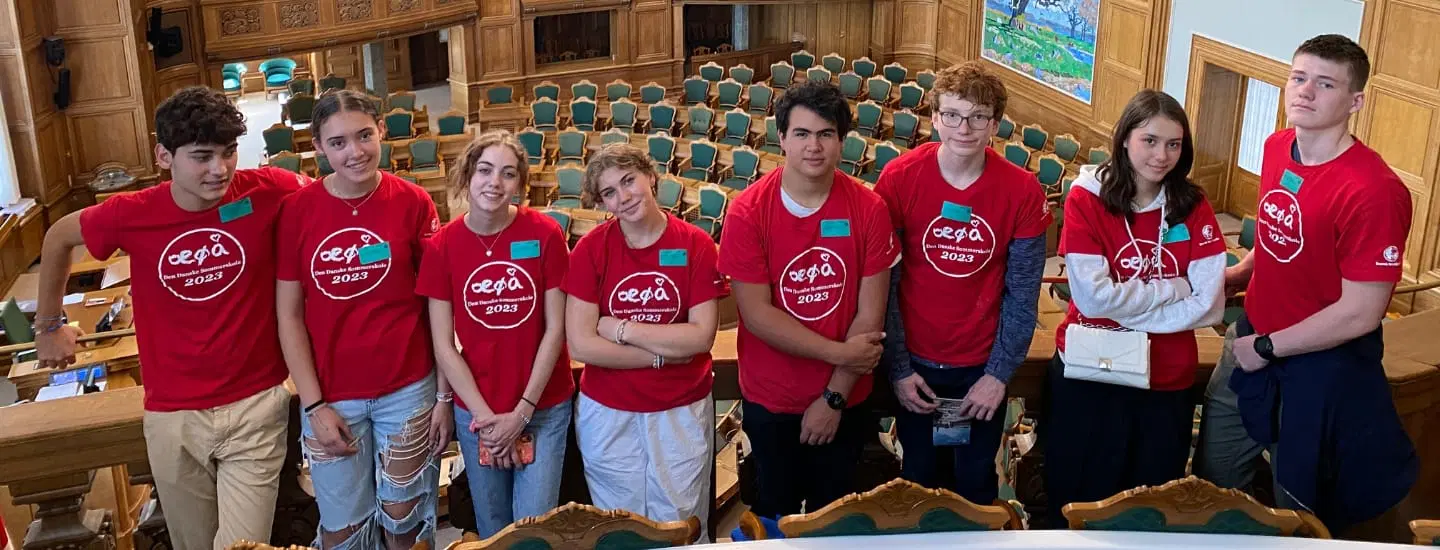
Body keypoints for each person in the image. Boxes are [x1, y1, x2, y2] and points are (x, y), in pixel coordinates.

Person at [32, 86, 305, 550]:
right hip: (172, 416)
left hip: (255, 405)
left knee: (242, 547)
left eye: (229, 153)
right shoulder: (133, 213)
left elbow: (332, 206)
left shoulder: (269, 190)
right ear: (164, 155)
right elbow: (58, 236)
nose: (219, 170)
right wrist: (49, 327)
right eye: (202, 156)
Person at [1196, 34, 1417, 531]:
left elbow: (1362, 313)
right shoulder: (1278, 147)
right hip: (1251, 336)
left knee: (1299, 502)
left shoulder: (1374, 191)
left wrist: (1269, 347)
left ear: (1355, 101)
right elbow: (1279, 229)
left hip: (1318, 366)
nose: (1305, 92)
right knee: (1215, 473)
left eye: (1325, 83)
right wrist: (1241, 274)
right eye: (1299, 78)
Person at [275, 90, 448, 550]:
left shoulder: (412, 202)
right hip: (333, 397)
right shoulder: (296, 212)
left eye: (364, 136)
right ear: (317, 147)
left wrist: (444, 395)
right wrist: (313, 406)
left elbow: (437, 304)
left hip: (408, 389)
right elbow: (288, 315)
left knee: (404, 521)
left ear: (381, 132)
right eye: (337, 143)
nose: (354, 152)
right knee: (344, 528)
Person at [1044, 89, 1226, 526]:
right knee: (1078, 499)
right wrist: (1173, 287)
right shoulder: (1086, 198)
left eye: (1173, 144)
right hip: (1091, 373)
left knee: (1151, 507)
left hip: (1165, 382)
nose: (1161, 155)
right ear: (1125, 138)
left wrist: (1124, 300)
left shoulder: (1194, 204)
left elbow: (1211, 307)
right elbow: (1090, 298)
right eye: (1150, 140)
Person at [717, 79, 898, 519]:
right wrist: (840, 352)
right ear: (781, 138)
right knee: (773, 516)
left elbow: (869, 316)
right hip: (772, 399)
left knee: (835, 519)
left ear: (841, 142)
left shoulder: (868, 209)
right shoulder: (747, 211)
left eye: (825, 134)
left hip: (847, 398)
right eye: (801, 133)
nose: (813, 146)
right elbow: (757, 315)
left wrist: (833, 398)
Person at [873, 60, 1048, 505]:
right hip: (915, 364)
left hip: (980, 368)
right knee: (917, 480)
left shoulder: (1023, 191)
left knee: (975, 484)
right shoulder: (898, 178)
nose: (963, 128)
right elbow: (884, 285)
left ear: (995, 124)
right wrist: (898, 369)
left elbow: (1022, 294)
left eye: (977, 117)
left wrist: (997, 376)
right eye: (951, 114)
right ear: (934, 118)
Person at [417, 130, 575, 538]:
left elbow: (556, 329)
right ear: (467, 175)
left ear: (519, 184)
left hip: (542, 408)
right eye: (485, 170)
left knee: (535, 530)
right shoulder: (443, 245)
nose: (494, 182)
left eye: (507, 174)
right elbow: (443, 345)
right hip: (478, 412)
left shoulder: (544, 234)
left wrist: (521, 412)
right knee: (492, 530)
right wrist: (486, 419)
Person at [565, 144, 726, 540]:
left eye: (628, 181)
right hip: (608, 412)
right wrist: (660, 355)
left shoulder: (695, 244)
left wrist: (620, 328)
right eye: (609, 193)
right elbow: (582, 346)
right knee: (619, 525)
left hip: (680, 408)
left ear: (650, 177)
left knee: (680, 520)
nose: (624, 197)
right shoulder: (590, 249)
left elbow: (700, 336)